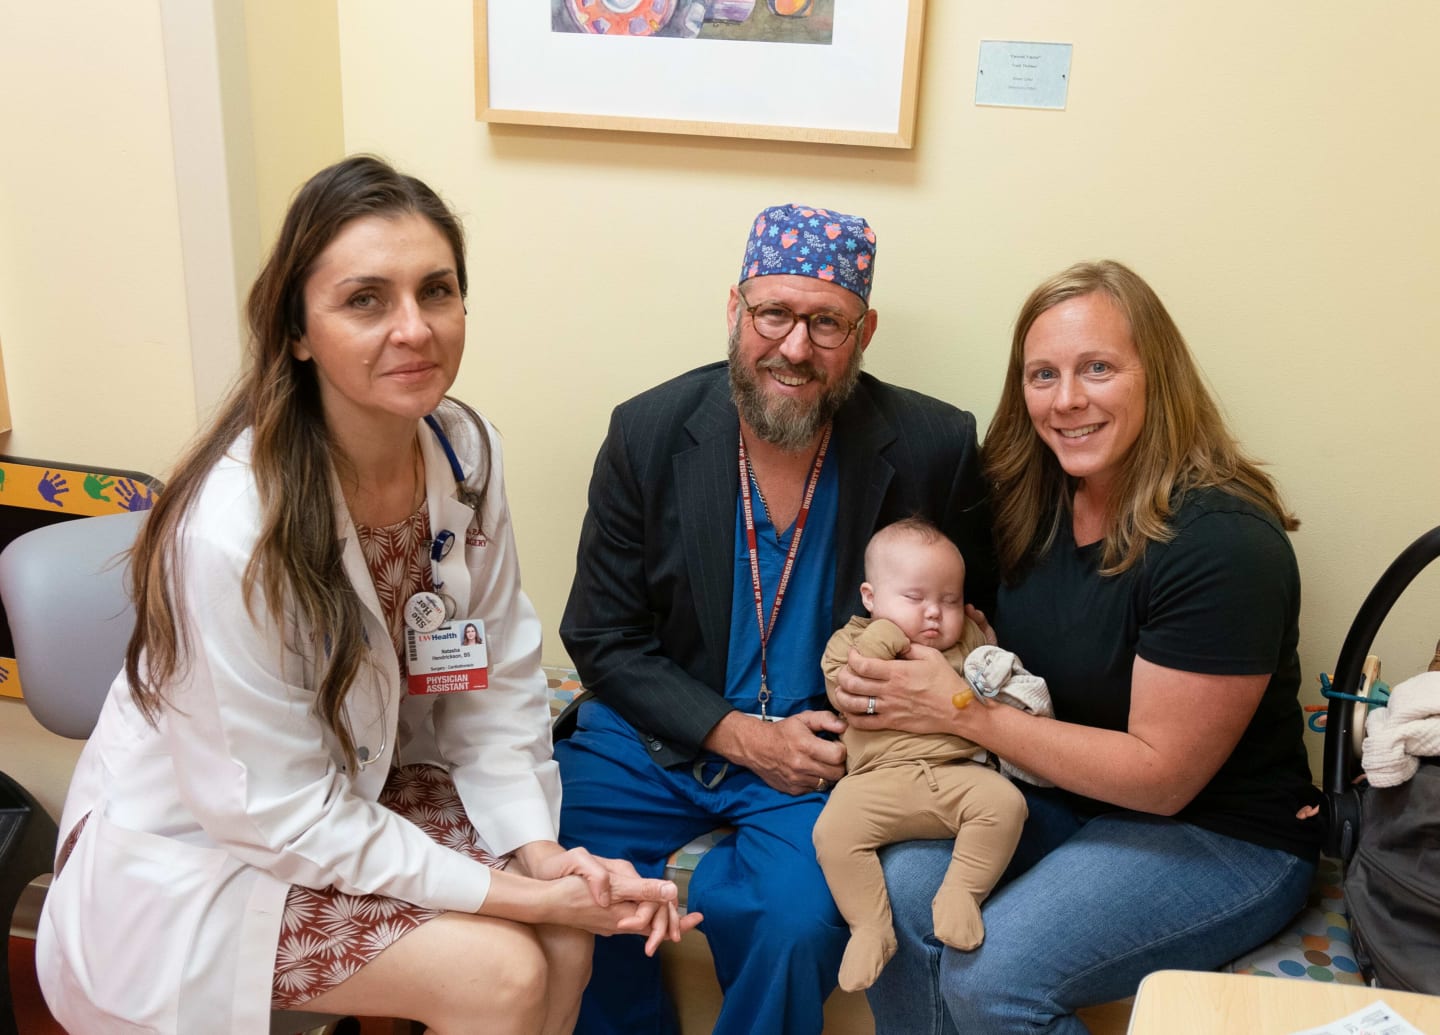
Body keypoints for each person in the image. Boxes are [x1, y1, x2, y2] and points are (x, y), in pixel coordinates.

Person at [36, 155, 696, 1035]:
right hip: (212, 845)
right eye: (366, 299)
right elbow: (276, 812)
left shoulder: (466, 452)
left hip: (366, 783)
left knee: (567, 944)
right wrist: (521, 900)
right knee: (500, 972)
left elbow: (494, 684)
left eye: (438, 291)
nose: (415, 328)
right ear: (299, 329)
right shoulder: (236, 531)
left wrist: (544, 858)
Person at [832, 260, 1324, 1034]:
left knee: (993, 979)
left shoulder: (1223, 541)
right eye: (1043, 374)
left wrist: (961, 710)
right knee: (904, 889)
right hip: (1065, 797)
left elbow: (1162, 779)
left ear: (1155, 376)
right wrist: (870, 682)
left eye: (1097, 368)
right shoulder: (1030, 500)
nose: (1066, 400)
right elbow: (945, 624)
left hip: (1220, 833)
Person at [555, 203, 996, 1035]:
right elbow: (603, 634)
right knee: (571, 878)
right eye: (774, 314)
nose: (795, 347)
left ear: (864, 333)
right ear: (735, 310)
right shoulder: (647, 431)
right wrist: (736, 734)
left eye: (826, 322)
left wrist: (946, 676)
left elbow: (974, 614)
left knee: (797, 925)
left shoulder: (935, 444)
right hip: (654, 730)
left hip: (829, 753)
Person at [814, 518, 1050, 993]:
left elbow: (993, 690)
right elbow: (847, 687)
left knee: (1006, 806)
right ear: (870, 597)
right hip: (874, 782)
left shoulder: (968, 643)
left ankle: (961, 893)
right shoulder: (849, 642)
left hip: (956, 774)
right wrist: (886, 635)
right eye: (915, 598)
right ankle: (870, 928)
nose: (934, 615)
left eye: (949, 601)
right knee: (832, 832)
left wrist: (988, 653)